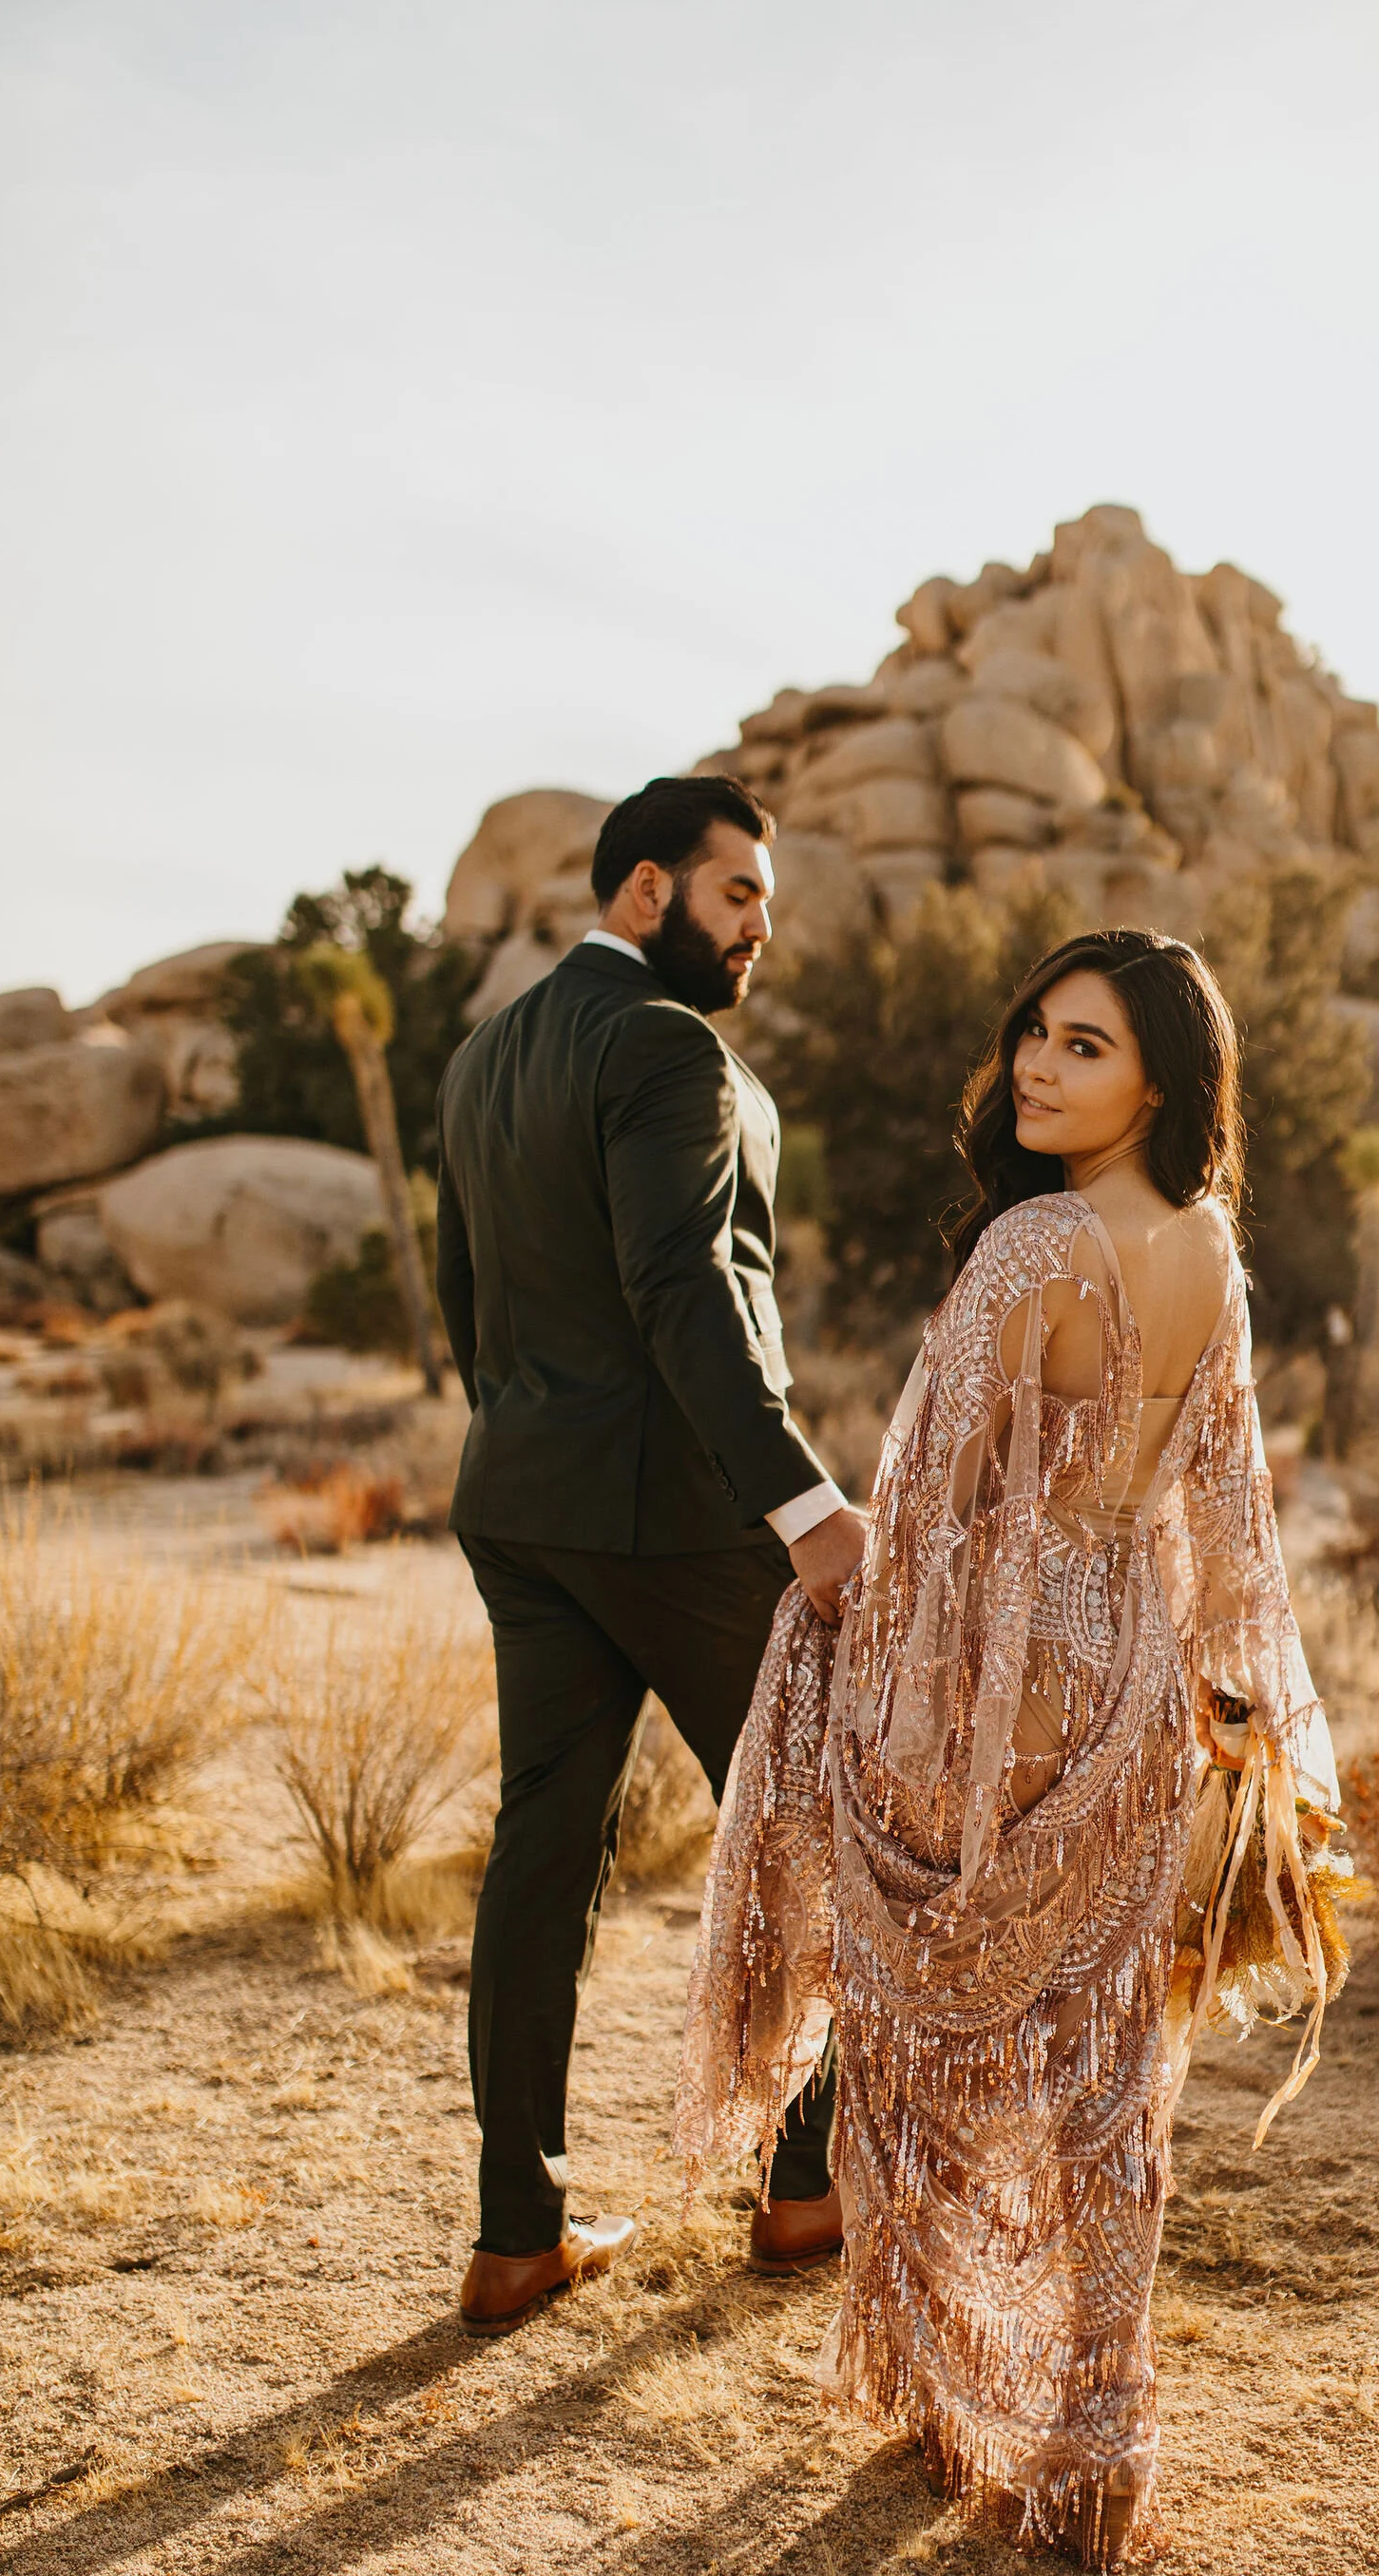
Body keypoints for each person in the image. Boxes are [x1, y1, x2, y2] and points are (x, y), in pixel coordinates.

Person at [677, 930, 1347, 2566]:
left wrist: (849, 1632)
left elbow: (925, 1499)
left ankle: (940, 2390)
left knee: (917, 2042)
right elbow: (1227, 1513)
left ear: (1164, 1082)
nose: (1040, 1068)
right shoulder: (1212, 1250)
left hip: (979, 1682)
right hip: (1123, 1671)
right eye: (1035, 1035)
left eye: (1087, 1046)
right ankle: (1100, 2431)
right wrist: (1219, 1694)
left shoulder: (1035, 1246)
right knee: (1105, 2072)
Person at [436, 773, 866, 2337]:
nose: (762, 928)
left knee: (543, 1851)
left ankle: (514, 2232)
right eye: (739, 893)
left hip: (524, 1501)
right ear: (643, 894)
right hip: (679, 1516)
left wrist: (521, 1437)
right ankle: (807, 2187)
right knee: (809, 1837)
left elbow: (463, 1291)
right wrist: (807, 1505)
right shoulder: (671, 1047)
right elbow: (687, 1289)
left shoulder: (485, 1057)